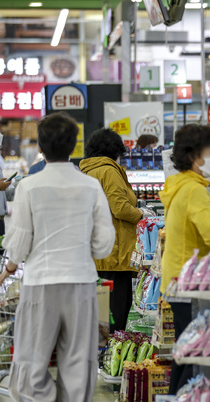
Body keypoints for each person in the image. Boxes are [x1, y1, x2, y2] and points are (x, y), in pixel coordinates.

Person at [0, 113, 115, 402]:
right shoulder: (90, 185)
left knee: (33, 354)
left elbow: (19, 241)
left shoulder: (29, 187)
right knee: (78, 356)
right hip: (81, 280)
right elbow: (103, 242)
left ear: (41, 146)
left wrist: (10, 266)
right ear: (74, 145)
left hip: (41, 281)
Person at [160, 123, 210, 393]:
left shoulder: (180, 185)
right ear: (196, 156)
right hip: (190, 283)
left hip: (177, 278)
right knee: (193, 355)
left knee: (184, 351)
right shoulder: (194, 190)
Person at [80, 128, 146, 333]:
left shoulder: (86, 170)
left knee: (102, 313)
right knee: (117, 313)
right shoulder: (109, 170)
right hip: (116, 252)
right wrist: (141, 214)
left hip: (98, 250)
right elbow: (120, 208)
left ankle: (101, 355)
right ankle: (110, 355)